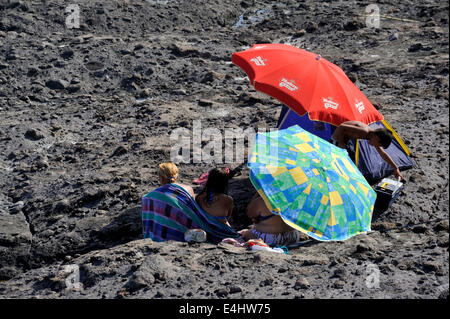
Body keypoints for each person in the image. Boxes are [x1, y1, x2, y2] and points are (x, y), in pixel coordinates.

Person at [331, 121, 403, 180]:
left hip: (346, 141)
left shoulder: (371, 135)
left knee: (351, 163)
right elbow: (342, 126)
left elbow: (382, 153)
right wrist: (341, 142)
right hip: (336, 140)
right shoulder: (364, 132)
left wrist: (395, 168)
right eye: (379, 144)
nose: (377, 146)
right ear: (377, 137)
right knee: (340, 164)